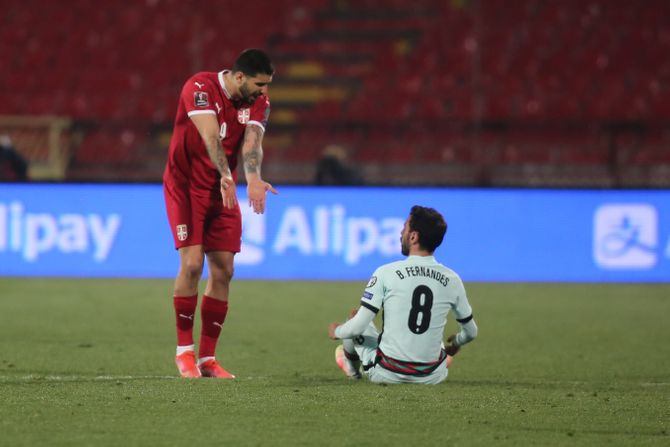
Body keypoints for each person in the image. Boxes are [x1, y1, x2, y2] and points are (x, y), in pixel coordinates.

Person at [163, 49, 278, 379]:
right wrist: (228, 175)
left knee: (225, 269)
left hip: (221, 189)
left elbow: (252, 144)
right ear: (239, 77)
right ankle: (184, 352)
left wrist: (253, 179)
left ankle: (207, 359)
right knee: (192, 263)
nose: (264, 92)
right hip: (185, 187)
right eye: (260, 84)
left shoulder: (258, 103)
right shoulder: (199, 87)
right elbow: (210, 135)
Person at [328, 205, 478, 384]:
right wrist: (456, 343)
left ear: (413, 236)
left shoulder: (386, 272)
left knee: (352, 320)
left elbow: (357, 327)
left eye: (405, 227)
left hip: (387, 372)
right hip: (432, 377)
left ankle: (351, 370)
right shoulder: (452, 279)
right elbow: (471, 332)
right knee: (433, 336)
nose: (400, 233)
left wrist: (336, 331)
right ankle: (442, 358)